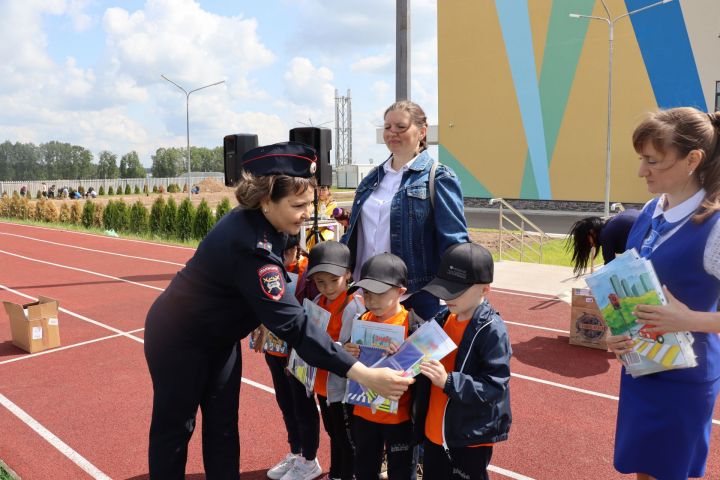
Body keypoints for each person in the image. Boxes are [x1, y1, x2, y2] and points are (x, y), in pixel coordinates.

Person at [143, 142, 413, 479]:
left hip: (220, 337)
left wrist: (257, 314)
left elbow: (271, 287)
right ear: (265, 200)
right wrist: (365, 374)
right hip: (178, 339)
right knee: (175, 429)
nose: (305, 213)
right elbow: (296, 327)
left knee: (224, 425)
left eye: (309, 204)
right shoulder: (249, 245)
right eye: (297, 205)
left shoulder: (273, 227)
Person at [605, 107, 720, 480]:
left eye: (653, 161)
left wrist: (687, 320)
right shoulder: (652, 210)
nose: (642, 171)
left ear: (693, 160)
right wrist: (616, 329)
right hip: (642, 369)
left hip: (684, 380)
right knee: (643, 469)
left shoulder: (716, 226)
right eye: (641, 159)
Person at [341, 100, 469, 322]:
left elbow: (454, 241)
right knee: (367, 355)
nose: (392, 133)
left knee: (414, 357)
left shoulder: (438, 177)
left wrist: (460, 287)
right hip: (367, 294)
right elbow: (354, 231)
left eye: (401, 127)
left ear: (422, 131)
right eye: (388, 127)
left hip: (414, 295)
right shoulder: (372, 178)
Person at [414, 242, 512, 480]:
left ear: (485, 289)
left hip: (469, 438)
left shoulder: (491, 330)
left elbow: (494, 386)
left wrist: (448, 381)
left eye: (456, 290)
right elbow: (417, 354)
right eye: (444, 288)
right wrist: (403, 352)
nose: (447, 296)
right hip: (434, 431)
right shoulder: (442, 317)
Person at [250, 234, 323, 480]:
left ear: (295, 250)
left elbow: (313, 315)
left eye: (283, 254)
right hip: (274, 350)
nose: (278, 259)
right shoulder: (265, 267)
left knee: (302, 405)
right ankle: (296, 451)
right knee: (285, 403)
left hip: (297, 353)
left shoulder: (307, 272)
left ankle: (310, 459)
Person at [344, 253, 414, 480]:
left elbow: (422, 374)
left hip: (400, 418)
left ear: (400, 292)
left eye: (379, 293)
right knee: (364, 469)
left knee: (401, 472)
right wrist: (349, 352)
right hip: (364, 414)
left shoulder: (411, 326)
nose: (371, 300)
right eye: (366, 293)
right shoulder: (362, 321)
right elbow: (352, 365)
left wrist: (403, 358)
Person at [306, 241, 364, 480]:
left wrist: (341, 348)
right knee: (333, 432)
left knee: (347, 439)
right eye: (321, 281)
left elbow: (355, 350)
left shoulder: (355, 307)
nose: (328, 287)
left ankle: (347, 474)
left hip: (342, 389)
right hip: (323, 385)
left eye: (334, 280)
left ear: (348, 274)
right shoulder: (318, 302)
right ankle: (337, 474)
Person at [567, 209, 640, 276]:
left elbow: (610, 268)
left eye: (586, 240)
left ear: (591, 232)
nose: (590, 245)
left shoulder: (606, 235)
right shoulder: (610, 224)